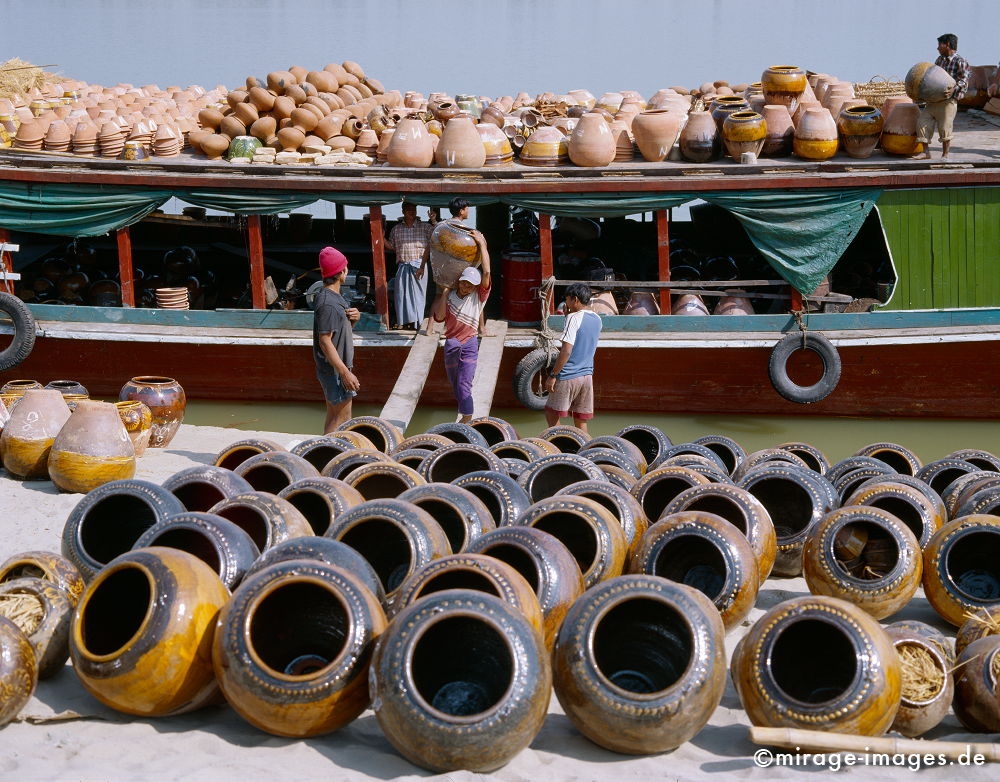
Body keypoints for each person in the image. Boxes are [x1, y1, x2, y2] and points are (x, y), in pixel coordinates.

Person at [432, 231, 491, 423]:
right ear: (459, 282)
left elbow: (487, 272)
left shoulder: (478, 297)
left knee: (464, 383)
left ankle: (466, 417)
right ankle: (464, 413)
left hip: (470, 343)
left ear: (475, 287)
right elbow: (440, 317)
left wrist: (482, 244)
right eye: (464, 284)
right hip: (452, 343)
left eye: (471, 286)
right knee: (455, 383)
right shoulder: (450, 297)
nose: (467, 288)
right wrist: (445, 292)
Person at [313, 246, 360, 433]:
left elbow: (337, 333)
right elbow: (325, 341)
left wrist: (353, 320)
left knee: (335, 416)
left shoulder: (333, 298)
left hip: (335, 367)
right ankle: (330, 449)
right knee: (342, 418)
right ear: (342, 272)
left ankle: (327, 447)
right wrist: (345, 373)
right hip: (334, 370)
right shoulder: (328, 304)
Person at [544, 283, 602, 433]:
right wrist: (567, 317)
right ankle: (586, 445)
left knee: (552, 414)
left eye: (567, 299)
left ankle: (558, 444)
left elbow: (566, 351)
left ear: (575, 299)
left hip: (568, 375)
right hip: (587, 376)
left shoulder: (572, 318)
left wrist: (553, 375)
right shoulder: (597, 319)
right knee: (580, 420)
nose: (566, 302)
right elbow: (583, 338)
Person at [916, 33, 970, 160]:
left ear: (948, 45)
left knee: (945, 127)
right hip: (933, 100)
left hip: (948, 102)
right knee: (922, 122)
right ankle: (926, 152)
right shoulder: (939, 60)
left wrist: (954, 88)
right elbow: (931, 77)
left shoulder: (960, 61)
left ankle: (945, 155)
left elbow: (964, 80)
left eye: (940, 45)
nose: (937, 48)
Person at [385, 201, 432, 330]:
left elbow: (437, 236)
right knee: (402, 296)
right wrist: (380, 237)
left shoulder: (425, 227)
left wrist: (433, 220)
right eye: (409, 209)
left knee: (418, 296)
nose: (412, 211)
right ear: (403, 211)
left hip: (419, 266)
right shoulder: (396, 229)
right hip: (403, 265)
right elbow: (392, 246)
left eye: (413, 209)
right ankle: (405, 323)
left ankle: (418, 323)